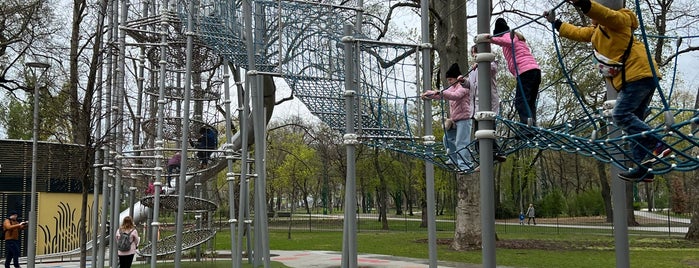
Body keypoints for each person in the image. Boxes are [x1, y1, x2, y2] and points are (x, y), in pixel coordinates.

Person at [544, 0, 667, 182]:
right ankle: (644, 167)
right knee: (634, 125)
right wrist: (556, 23)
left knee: (621, 115)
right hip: (635, 76)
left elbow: (607, 15)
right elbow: (577, 32)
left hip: (637, 74)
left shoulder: (620, 20)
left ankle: (656, 142)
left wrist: (584, 4)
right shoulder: (597, 32)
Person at [487, 18, 542, 127]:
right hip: (534, 71)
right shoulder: (518, 38)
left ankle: (527, 127)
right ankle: (532, 126)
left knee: (521, 101)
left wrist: (491, 39)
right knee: (529, 102)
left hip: (525, 71)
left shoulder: (508, 35)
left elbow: (507, 41)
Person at [421, 63, 474, 171]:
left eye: (450, 79)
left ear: (456, 78)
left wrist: (441, 93)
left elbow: (455, 96)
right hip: (455, 119)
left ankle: (465, 165)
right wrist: (429, 94)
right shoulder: (452, 87)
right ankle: (454, 160)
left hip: (464, 118)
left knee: (461, 142)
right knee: (447, 139)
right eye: (448, 80)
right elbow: (441, 94)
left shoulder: (464, 86)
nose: (449, 82)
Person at [461, 45, 506, 163]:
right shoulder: (473, 70)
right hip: (475, 107)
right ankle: (483, 158)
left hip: (488, 106)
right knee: (478, 135)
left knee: (488, 130)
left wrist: (481, 64)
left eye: (475, 54)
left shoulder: (491, 64)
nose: (474, 57)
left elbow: (491, 70)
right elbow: (470, 85)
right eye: (473, 55)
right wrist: (463, 81)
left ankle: (496, 152)